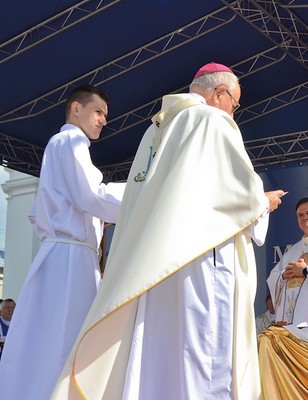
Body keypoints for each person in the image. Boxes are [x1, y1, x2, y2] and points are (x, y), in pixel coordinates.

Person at [52, 63, 284, 400]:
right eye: (234, 104)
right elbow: (236, 196)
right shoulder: (212, 120)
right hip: (203, 259)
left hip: (159, 269)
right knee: (204, 355)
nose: (233, 112)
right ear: (219, 94)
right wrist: (262, 202)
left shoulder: (155, 130)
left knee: (160, 354)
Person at [0, 85, 125, 399]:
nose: (103, 121)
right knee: (69, 340)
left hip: (61, 254)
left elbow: (39, 212)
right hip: (70, 260)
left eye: (105, 116)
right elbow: (91, 194)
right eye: (98, 112)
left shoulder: (57, 146)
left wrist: (86, 220)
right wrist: (141, 194)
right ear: (76, 109)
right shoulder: (71, 140)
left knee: (47, 337)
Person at [267, 197, 308, 327]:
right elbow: (273, 278)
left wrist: (305, 271)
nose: (304, 217)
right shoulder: (293, 250)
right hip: (288, 321)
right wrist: (283, 275)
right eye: (300, 215)